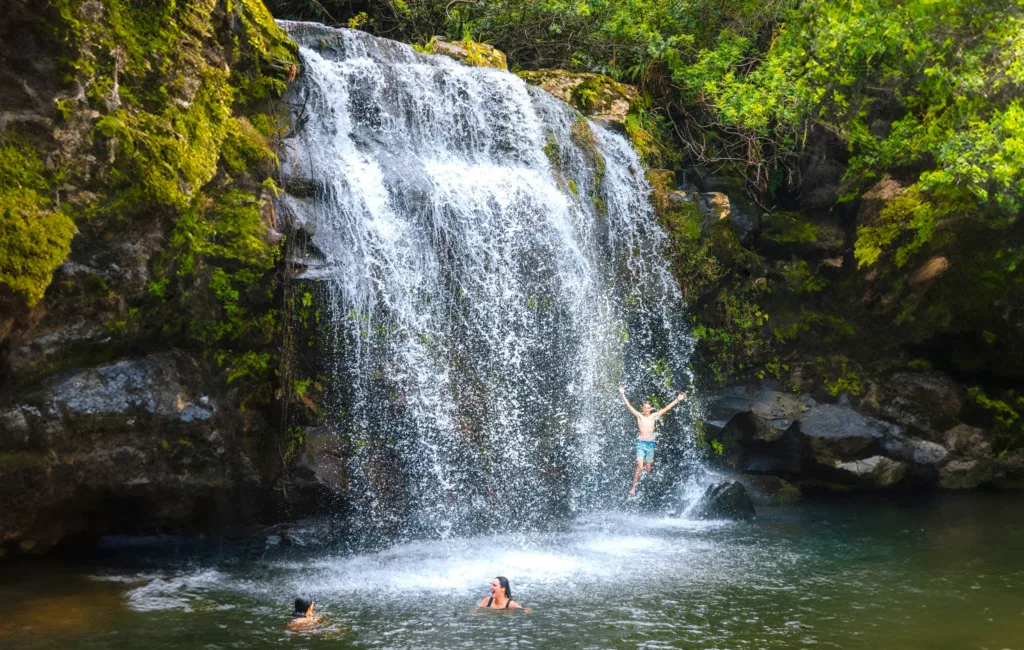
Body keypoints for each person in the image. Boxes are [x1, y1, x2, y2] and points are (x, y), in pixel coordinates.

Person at [619, 385, 687, 496]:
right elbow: (629, 406)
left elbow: (666, 409)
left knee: (648, 469)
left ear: (650, 409)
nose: (646, 409)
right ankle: (633, 487)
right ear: (642, 408)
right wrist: (622, 394)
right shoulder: (639, 416)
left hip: (650, 444)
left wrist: (677, 400)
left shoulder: (653, 416)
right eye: (644, 407)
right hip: (641, 444)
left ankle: (644, 483)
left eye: (648, 407)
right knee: (640, 466)